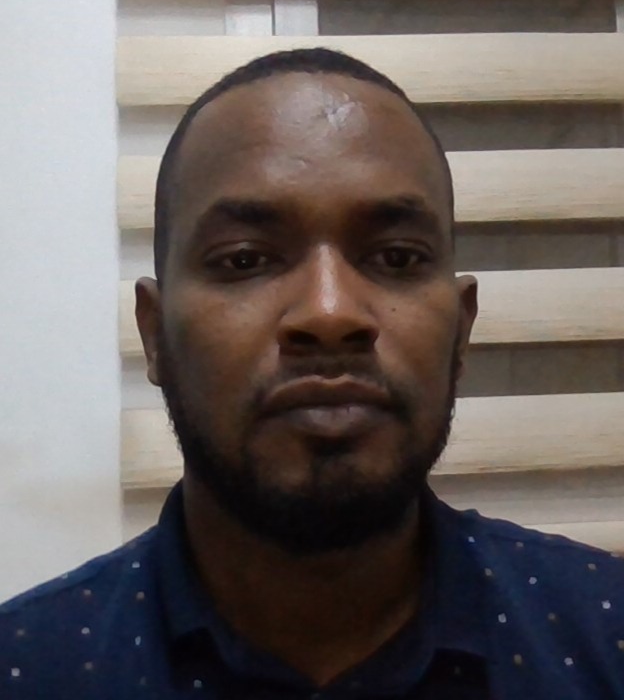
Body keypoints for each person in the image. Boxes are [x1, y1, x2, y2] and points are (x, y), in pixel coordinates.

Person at [1, 48, 622, 699]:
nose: (330, 313)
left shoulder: (606, 636)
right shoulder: (29, 669)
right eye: (245, 260)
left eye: (396, 257)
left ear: (461, 331)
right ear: (155, 334)